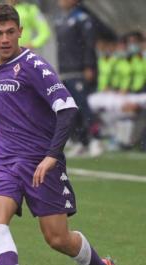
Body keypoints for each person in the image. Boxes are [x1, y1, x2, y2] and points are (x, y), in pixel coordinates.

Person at [0, 3, 119, 265]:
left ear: (20, 32)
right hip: (4, 161)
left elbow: (67, 108)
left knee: (57, 238)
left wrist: (52, 156)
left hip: (41, 162)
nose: (4, 39)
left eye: (10, 32)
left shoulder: (34, 66)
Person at [0, 0, 51, 137]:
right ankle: (3, 135)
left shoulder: (30, 10)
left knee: (23, 101)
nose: (5, 37)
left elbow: (45, 32)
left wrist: (33, 44)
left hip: (21, 63)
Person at [54, 0, 100, 157]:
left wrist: (89, 65)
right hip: (65, 69)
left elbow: (88, 44)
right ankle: (82, 141)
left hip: (79, 69)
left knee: (83, 105)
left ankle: (95, 139)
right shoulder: (60, 19)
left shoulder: (82, 18)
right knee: (70, 109)